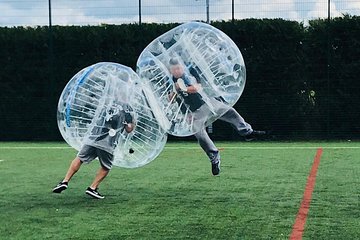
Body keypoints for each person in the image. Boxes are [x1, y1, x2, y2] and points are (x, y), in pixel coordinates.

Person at [168, 58, 265, 176]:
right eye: (174, 69)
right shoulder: (171, 81)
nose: (177, 71)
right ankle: (214, 156)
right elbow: (171, 100)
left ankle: (247, 132)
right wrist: (174, 91)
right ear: (171, 70)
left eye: (178, 68)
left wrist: (183, 88)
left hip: (207, 103)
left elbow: (198, 88)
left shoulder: (190, 72)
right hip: (193, 113)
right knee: (199, 134)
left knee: (230, 111)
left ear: (182, 67)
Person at [52, 103, 135, 199]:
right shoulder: (127, 109)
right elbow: (129, 129)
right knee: (106, 167)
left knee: (79, 158)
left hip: (93, 139)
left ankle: (65, 181)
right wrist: (133, 121)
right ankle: (92, 188)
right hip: (108, 143)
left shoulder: (107, 102)